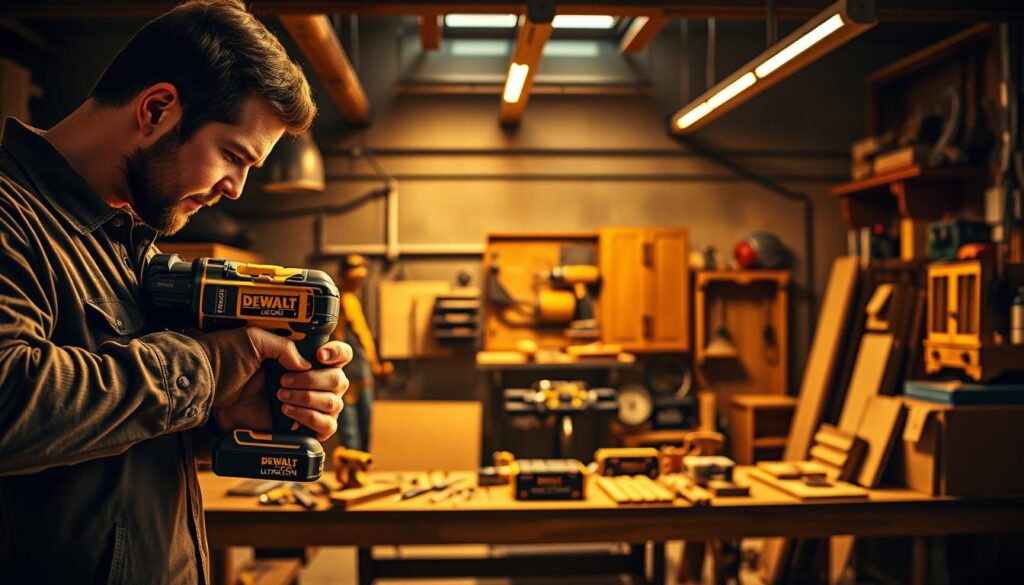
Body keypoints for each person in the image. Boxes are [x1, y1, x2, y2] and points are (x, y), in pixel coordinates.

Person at [0, 1, 351, 583]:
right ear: (157, 110)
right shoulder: (13, 217)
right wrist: (207, 368)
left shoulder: (126, 242)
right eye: (233, 156)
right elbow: (10, 400)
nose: (236, 190)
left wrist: (222, 416)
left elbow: (99, 457)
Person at [333, 254, 393, 451]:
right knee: (351, 433)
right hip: (348, 375)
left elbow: (364, 338)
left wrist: (375, 366)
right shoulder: (340, 302)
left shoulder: (353, 300)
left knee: (364, 429)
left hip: (363, 373)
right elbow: (338, 340)